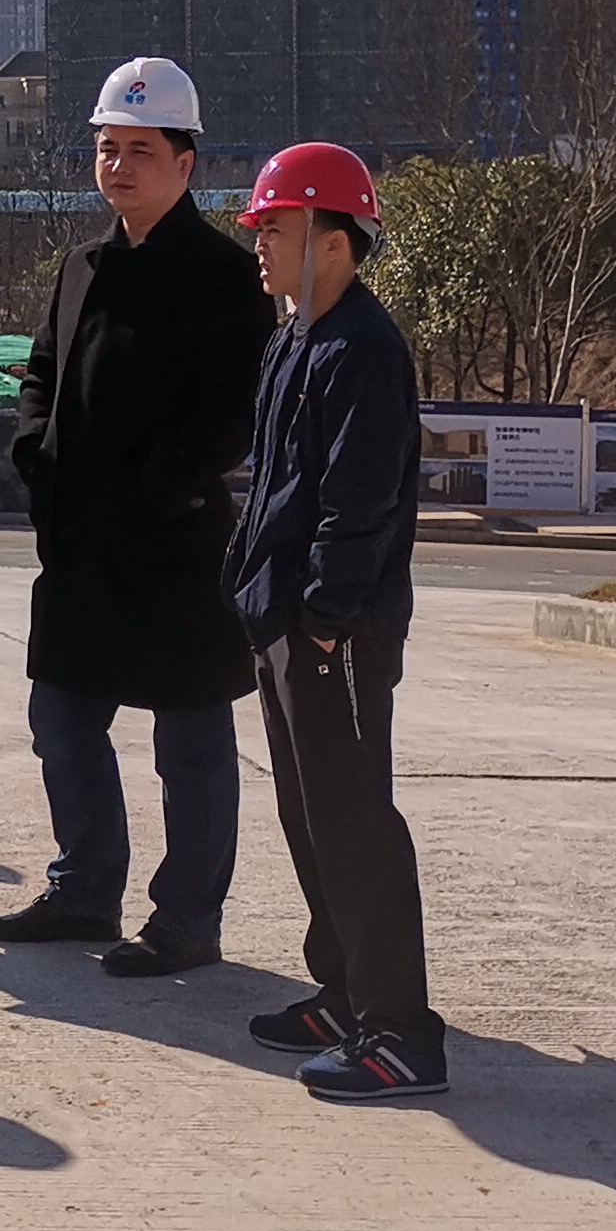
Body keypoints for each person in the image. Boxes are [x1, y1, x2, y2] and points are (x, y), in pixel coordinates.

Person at [0, 58, 276, 976]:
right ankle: (84, 889)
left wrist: (161, 487)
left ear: (186, 163)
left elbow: (233, 413)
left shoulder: (226, 276)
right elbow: (41, 372)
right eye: (108, 148)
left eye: (141, 151)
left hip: (175, 547)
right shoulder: (82, 266)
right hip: (79, 546)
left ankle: (188, 920)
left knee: (190, 745)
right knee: (62, 721)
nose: (119, 166)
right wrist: (33, 452)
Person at [225, 142, 444, 1102]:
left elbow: (358, 505)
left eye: (275, 227)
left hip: (334, 631)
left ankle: (401, 1032)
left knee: (354, 821)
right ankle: (345, 992)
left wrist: (322, 618)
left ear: (332, 237)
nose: (260, 243)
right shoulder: (296, 340)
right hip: (287, 622)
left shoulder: (363, 349)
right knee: (311, 814)